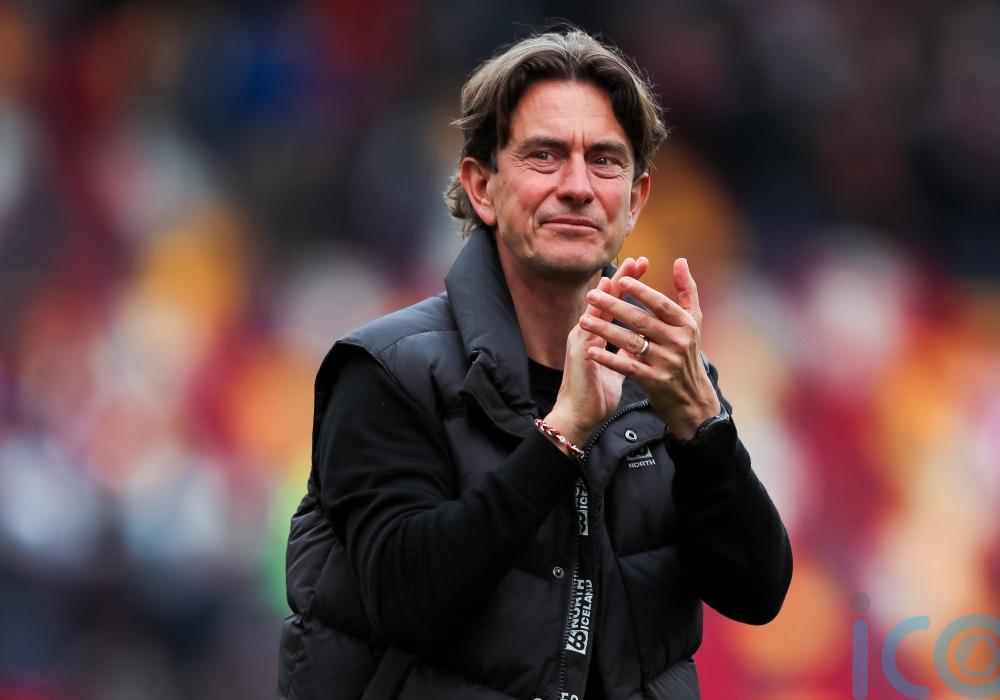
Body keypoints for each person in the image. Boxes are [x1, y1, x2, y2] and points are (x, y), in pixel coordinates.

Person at [278, 27, 792, 700]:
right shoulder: (386, 371)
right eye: (544, 156)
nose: (577, 186)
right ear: (481, 187)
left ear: (635, 200)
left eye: (604, 161)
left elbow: (757, 593)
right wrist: (561, 436)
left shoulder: (665, 379)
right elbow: (405, 602)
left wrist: (705, 430)